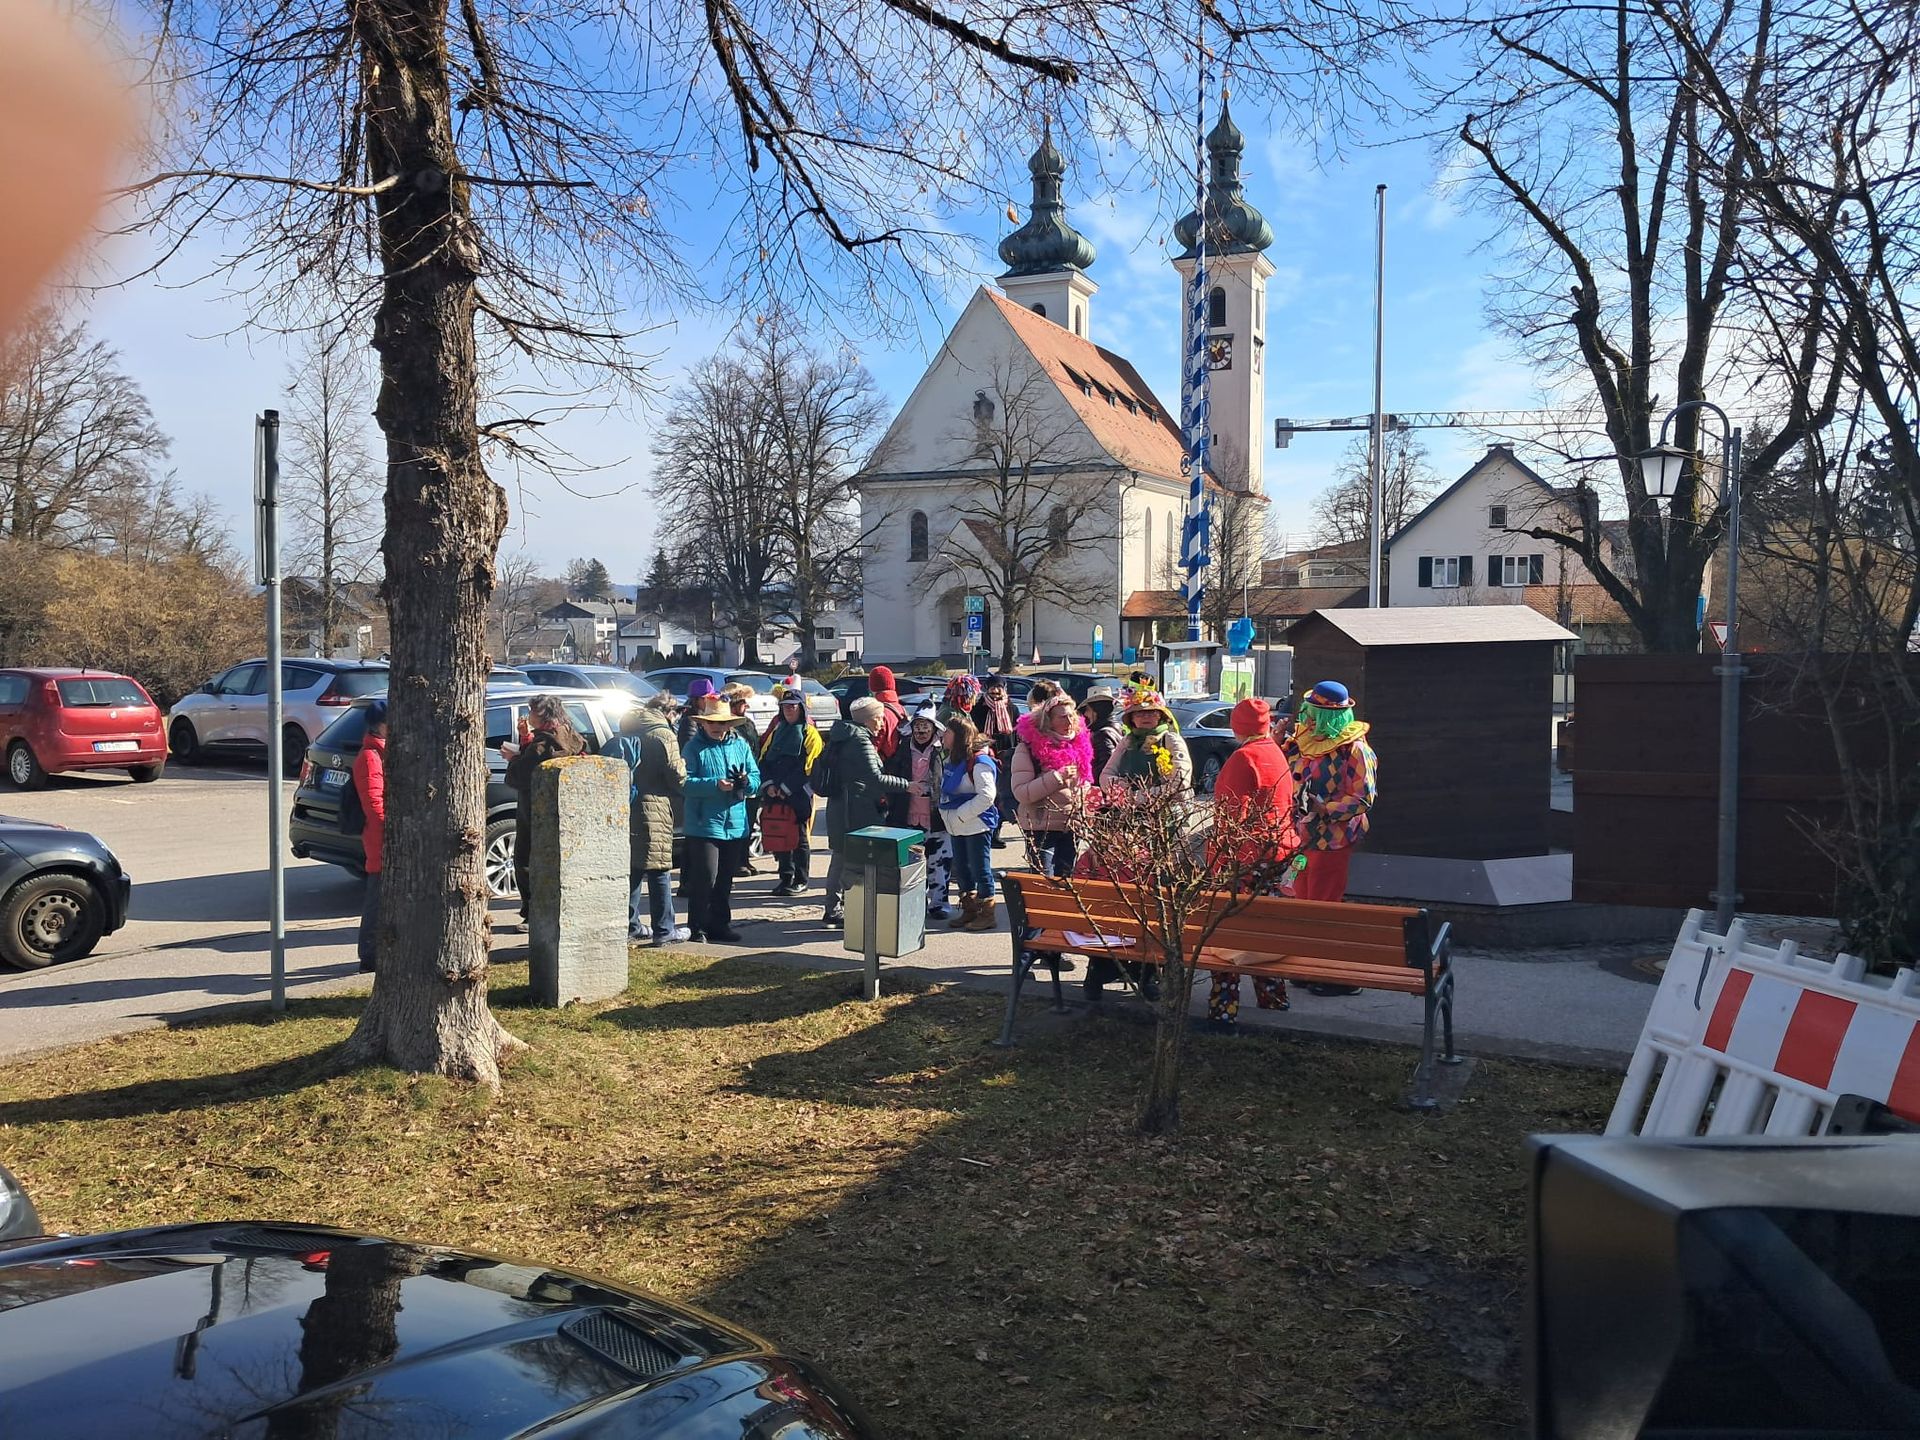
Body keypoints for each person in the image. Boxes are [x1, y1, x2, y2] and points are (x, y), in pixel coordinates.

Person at [1206, 696, 1301, 1025]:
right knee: (1262, 932)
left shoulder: (1241, 758)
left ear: (1236, 726)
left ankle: (1223, 1010)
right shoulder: (1275, 752)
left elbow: (1230, 817)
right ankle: (1274, 1002)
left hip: (1246, 857)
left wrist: (1215, 863)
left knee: (1228, 937)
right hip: (1280, 853)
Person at [1281, 679, 1378, 995]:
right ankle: (1307, 966)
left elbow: (1363, 797)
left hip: (1332, 839)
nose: (1304, 717)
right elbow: (1284, 771)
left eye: (1310, 712)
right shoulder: (1301, 740)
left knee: (1323, 905)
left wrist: (1325, 808)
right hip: (1302, 838)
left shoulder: (1355, 749)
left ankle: (1335, 976)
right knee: (1300, 899)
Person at [816, 696, 910, 927]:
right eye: (878, 718)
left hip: (841, 806)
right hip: (856, 810)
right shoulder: (860, 741)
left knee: (839, 858)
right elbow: (875, 778)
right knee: (853, 862)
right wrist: (909, 786)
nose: (881, 723)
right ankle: (845, 909)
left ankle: (832, 908)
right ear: (868, 719)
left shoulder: (842, 736)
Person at [605, 694, 688, 945]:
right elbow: (678, 776)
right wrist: (684, 766)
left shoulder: (628, 727)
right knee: (659, 869)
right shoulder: (663, 734)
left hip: (626, 805)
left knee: (633, 868)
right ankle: (665, 929)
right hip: (655, 805)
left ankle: (630, 925)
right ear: (669, 712)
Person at [679, 694, 761, 943]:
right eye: (712, 722)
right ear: (703, 723)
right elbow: (684, 783)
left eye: (722, 723)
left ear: (729, 724)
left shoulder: (740, 745)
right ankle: (698, 927)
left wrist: (746, 783)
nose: (717, 727)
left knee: (725, 880)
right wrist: (715, 785)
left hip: (735, 824)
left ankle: (720, 925)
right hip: (704, 825)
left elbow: (756, 777)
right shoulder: (693, 747)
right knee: (705, 878)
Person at [503, 693, 587, 924]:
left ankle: (532, 913)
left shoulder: (544, 742)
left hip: (535, 809)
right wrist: (525, 739)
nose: (528, 715)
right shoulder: (568, 734)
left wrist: (512, 759)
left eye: (531, 711)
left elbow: (520, 775)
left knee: (526, 859)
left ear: (541, 715)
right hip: (559, 808)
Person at [1011, 692, 1092, 879]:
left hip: (1072, 825)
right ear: (1048, 721)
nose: (1070, 721)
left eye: (1072, 715)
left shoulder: (1080, 745)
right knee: (1042, 880)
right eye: (1063, 717)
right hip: (1041, 826)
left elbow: (1084, 784)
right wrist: (1057, 777)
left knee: (1066, 880)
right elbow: (1021, 793)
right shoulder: (1028, 748)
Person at [939, 713, 1001, 931]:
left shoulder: (979, 762)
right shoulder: (952, 760)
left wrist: (961, 814)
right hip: (957, 826)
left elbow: (986, 796)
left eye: (947, 732)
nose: (943, 735)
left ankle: (988, 915)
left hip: (976, 824)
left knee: (980, 870)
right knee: (963, 870)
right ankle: (970, 910)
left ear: (959, 736)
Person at [758, 686, 821, 896]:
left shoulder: (809, 734)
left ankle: (801, 879)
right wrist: (770, 786)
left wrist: (786, 788)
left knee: (799, 838)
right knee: (780, 834)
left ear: (802, 708)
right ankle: (785, 877)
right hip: (774, 794)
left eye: (793, 706)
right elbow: (764, 760)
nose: (789, 710)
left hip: (798, 794)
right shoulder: (777, 731)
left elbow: (809, 767)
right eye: (785, 706)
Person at [902, 702, 953, 920]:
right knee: (913, 862)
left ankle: (939, 902)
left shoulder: (943, 751)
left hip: (937, 816)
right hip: (910, 815)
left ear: (934, 728)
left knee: (939, 861)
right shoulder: (903, 749)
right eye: (917, 727)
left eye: (926, 727)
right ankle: (915, 901)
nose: (921, 732)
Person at [352, 698, 389, 973]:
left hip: (386, 836)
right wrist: (391, 829)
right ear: (382, 726)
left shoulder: (384, 752)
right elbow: (374, 803)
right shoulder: (370, 756)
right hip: (380, 838)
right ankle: (369, 956)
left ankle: (378, 952)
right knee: (376, 897)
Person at [1099, 688, 1193, 794]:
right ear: (1132, 719)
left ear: (1160, 717)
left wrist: (1143, 796)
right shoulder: (1127, 741)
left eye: (1152, 713)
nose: (1146, 717)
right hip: (1132, 807)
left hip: (1168, 807)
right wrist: (1119, 786)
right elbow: (1105, 775)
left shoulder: (1170, 740)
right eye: (1139, 714)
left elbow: (1181, 783)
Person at [721, 682, 765, 874]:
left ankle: (744, 859)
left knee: (748, 822)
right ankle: (736, 861)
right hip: (735, 780)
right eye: (743, 703)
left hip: (751, 778)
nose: (747, 706)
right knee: (738, 823)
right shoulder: (726, 724)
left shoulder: (748, 723)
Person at [974, 676, 1019, 848]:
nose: (995, 691)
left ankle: (995, 832)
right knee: (988, 795)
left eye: (998, 687)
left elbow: (1016, 732)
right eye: (992, 687)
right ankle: (988, 832)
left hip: (1007, 757)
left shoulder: (1011, 708)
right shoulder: (979, 708)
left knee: (1002, 797)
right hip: (986, 756)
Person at [866, 665, 909, 763]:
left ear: (872, 687)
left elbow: (872, 749)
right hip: (900, 766)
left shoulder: (879, 713)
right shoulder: (901, 710)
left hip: (884, 767)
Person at [1080, 686, 1123, 780]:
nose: (1086, 714)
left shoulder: (1102, 735)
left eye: (1087, 709)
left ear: (1095, 711)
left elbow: (1106, 766)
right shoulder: (1118, 727)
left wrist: (1086, 778)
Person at [676, 676, 717, 748]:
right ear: (696, 700)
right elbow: (688, 747)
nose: (709, 701)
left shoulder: (708, 715)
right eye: (706, 698)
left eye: (711, 697)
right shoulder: (689, 721)